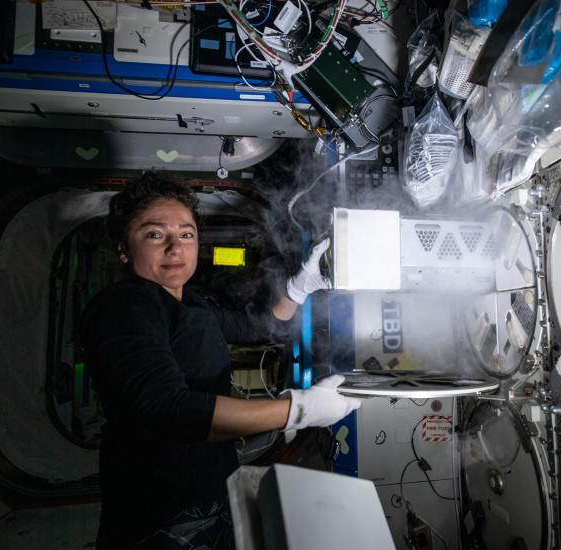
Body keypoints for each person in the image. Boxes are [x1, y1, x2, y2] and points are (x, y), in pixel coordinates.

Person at [82, 172, 361, 549]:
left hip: (208, 498)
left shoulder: (192, 303)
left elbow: (262, 326)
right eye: (154, 235)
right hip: (159, 519)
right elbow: (171, 411)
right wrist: (299, 410)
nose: (175, 248)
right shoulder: (127, 306)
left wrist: (301, 286)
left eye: (186, 233)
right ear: (122, 249)